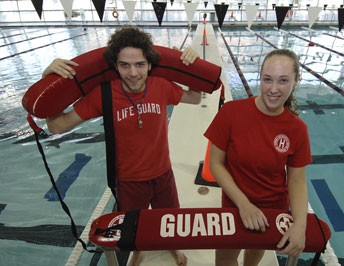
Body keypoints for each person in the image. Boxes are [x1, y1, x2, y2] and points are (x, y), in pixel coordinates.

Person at [43, 26, 202, 266]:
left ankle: (173, 246)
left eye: (139, 64)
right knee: (133, 229)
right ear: (115, 66)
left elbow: (196, 97)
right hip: (128, 181)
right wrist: (50, 81)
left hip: (163, 175)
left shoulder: (160, 85)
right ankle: (138, 250)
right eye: (124, 65)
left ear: (149, 64)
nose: (133, 73)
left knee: (169, 220)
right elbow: (57, 126)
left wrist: (192, 68)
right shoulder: (103, 94)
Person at [204, 48, 312, 266]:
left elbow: (297, 180)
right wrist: (243, 204)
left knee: (253, 257)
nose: (273, 89)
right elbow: (216, 164)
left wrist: (300, 225)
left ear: (296, 81)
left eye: (283, 81)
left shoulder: (297, 129)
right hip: (235, 203)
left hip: (273, 207)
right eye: (267, 79)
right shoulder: (231, 112)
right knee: (224, 260)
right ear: (260, 78)